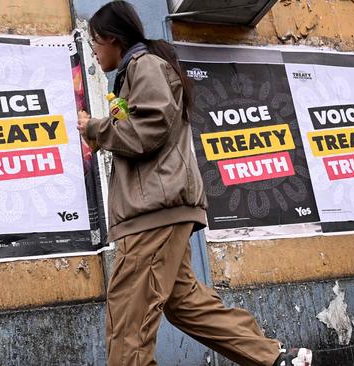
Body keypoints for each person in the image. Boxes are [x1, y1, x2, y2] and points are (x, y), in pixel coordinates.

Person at [76, 2, 313, 366]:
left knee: (128, 322)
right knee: (186, 305)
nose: (94, 51)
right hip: (162, 210)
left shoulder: (146, 66)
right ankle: (275, 359)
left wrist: (96, 128)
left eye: (95, 42)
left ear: (111, 38)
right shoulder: (138, 70)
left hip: (153, 214)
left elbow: (148, 129)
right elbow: (146, 131)